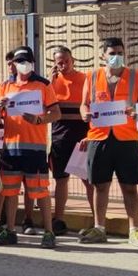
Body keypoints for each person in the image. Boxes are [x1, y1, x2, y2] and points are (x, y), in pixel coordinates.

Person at [0, 48, 59, 247]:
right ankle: (9, 230)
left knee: (40, 192)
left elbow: (56, 113)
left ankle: (49, 232)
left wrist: (39, 119)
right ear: (14, 63)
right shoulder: (3, 86)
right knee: (10, 192)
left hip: (34, 148)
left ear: (33, 62)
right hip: (11, 148)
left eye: (27, 60)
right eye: (19, 60)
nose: (23, 63)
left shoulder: (43, 85)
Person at [78, 37, 138, 245]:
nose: (116, 57)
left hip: (126, 138)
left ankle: (134, 230)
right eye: (112, 53)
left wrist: (136, 112)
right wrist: (84, 114)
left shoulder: (135, 76)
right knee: (100, 185)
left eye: (119, 52)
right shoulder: (92, 76)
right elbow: (84, 104)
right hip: (99, 137)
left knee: (130, 187)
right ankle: (100, 228)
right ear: (103, 55)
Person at [47, 46, 91, 235]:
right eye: (59, 62)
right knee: (61, 179)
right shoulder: (51, 82)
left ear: (73, 60)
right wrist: (49, 81)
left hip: (82, 137)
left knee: (88, 180)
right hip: (60, 137)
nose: (63, 65)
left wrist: (90, 135)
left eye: (66, 60)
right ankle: (59, 219)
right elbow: (45, 105)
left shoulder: (85, 79)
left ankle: (98, 220)